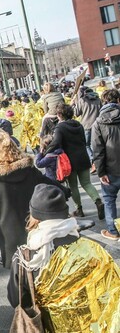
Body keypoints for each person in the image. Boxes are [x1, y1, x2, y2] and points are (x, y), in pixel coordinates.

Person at [7, 184, 118, 333]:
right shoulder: (92, 250)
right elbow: (111, 293)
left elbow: (16, 299)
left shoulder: (26, 258)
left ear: (35, 216)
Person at [0, 130, 64, 268]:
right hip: (35, 226)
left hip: (9, 233)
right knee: (41, 269)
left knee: (17, 274)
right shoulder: (29, 170)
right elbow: (54, 187)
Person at [46, 104, 104, 219]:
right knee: (87, 183)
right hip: (83, 157)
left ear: (59, 115)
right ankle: (98, 202)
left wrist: (45, 151)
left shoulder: (60, 128)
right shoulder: (78, 125)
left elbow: (56, 142)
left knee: (73, 186)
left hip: (69, 161)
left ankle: (79, 210)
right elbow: (83, 140)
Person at [92, 89, 120, 240]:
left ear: (104, 102)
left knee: (109, 200)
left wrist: (101, 173)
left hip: (110, 169)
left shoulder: (99, 122)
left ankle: (113, 231)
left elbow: (97, 150)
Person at [73, 86, 102, 166]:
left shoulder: (82, 100)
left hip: (86, 126)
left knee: (86, 144)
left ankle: (93, 159)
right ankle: (98, 160)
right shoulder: (98, 99)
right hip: (97, 124)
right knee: (96, 143)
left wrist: (75, 104)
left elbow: (76, 113)